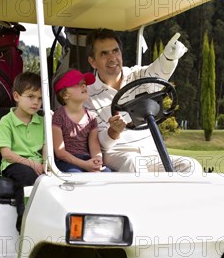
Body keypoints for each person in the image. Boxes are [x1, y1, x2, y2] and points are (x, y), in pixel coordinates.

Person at [86, 28, 201, 174]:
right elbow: (99, 143)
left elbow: (158, 71)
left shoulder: (137, 75)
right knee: (134, 163)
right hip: (118, 153)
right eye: (104, 53)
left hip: (150, 151)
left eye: (115, 51)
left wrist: (168, 57)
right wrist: (113, 131)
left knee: (191, 166)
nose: (112, 58)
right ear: (92, 62)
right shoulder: (88, 95)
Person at [0, 71, 45, 232]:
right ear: (16, 96)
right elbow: (6, 153)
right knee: (27, 175)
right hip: (14, 163)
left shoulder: (42, 121)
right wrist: (31, 163)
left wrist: (45, 163)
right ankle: (25, 221)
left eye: (40, 98)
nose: (35, 102)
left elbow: (45, 147)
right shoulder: (6, 122)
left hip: (38, 164)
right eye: (30, 97)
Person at [52, 69, 112, 173]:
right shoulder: (58, 116)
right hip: (67, 161)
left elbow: (94, 147)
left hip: (86, 159)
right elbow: (60, 152)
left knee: (107, 173)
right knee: (76, 176)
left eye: (84, 83)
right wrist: (85, 165)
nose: (84, 86)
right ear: (65, 94)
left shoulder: (91, 117)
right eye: (77, 84)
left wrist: (97, 161)